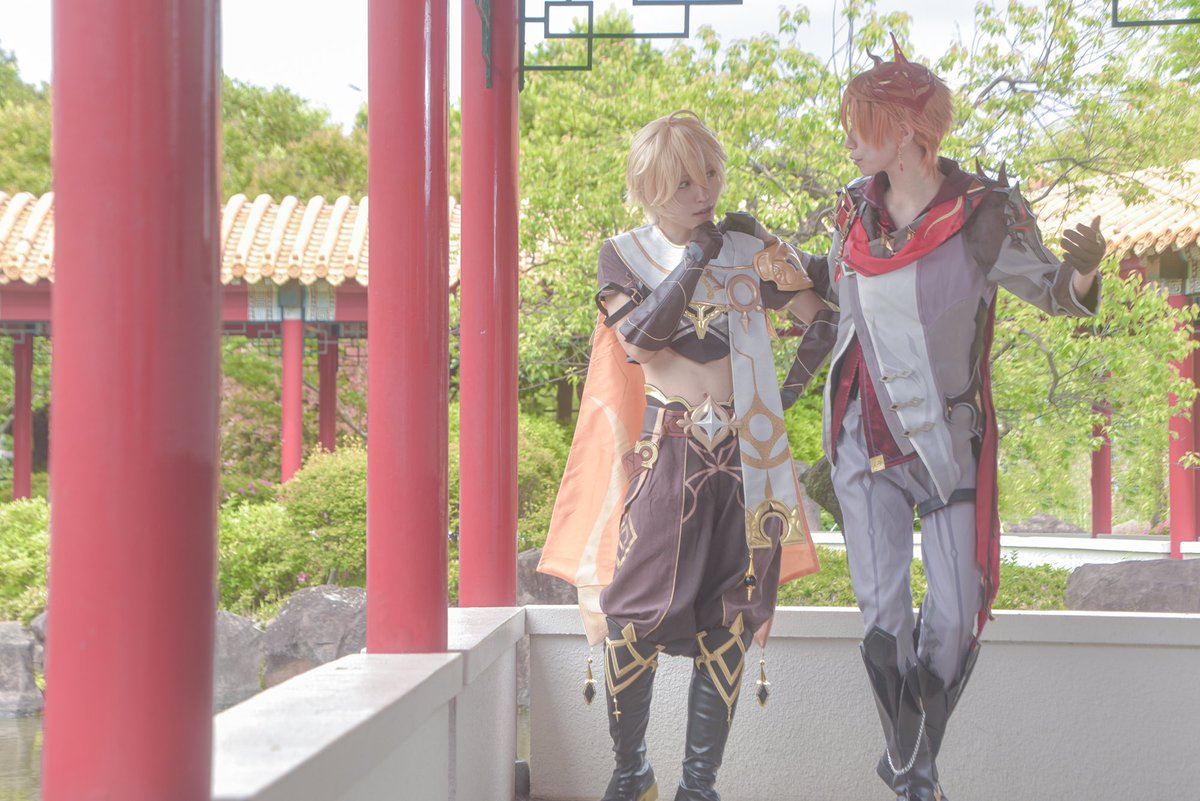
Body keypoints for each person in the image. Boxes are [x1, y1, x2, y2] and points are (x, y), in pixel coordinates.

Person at [757, 37, 1107, 801]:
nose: (849, 139)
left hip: (945, 438)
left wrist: (1083, 271)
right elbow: (835, 304)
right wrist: (785, 286)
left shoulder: (983, 215)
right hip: (861, 430)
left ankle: (908, 765)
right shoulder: (853, 212)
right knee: (883, 614)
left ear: (910, 131)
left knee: (955, 614)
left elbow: (1054, 292)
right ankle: (918, 781)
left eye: (863, 124)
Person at [537, 110, 823, 801]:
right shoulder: (623, 254)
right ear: (649, 190)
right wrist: (696, 257)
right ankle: (631, 771)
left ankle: (699, 787)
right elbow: (638, 342)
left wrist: (781, 393)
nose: (705, 192)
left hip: (746, 456)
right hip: (664, 452)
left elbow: (825, 318)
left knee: (730, 616)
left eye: (712, 175)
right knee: (632, 613)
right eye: (685, 183)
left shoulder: (748, 246)